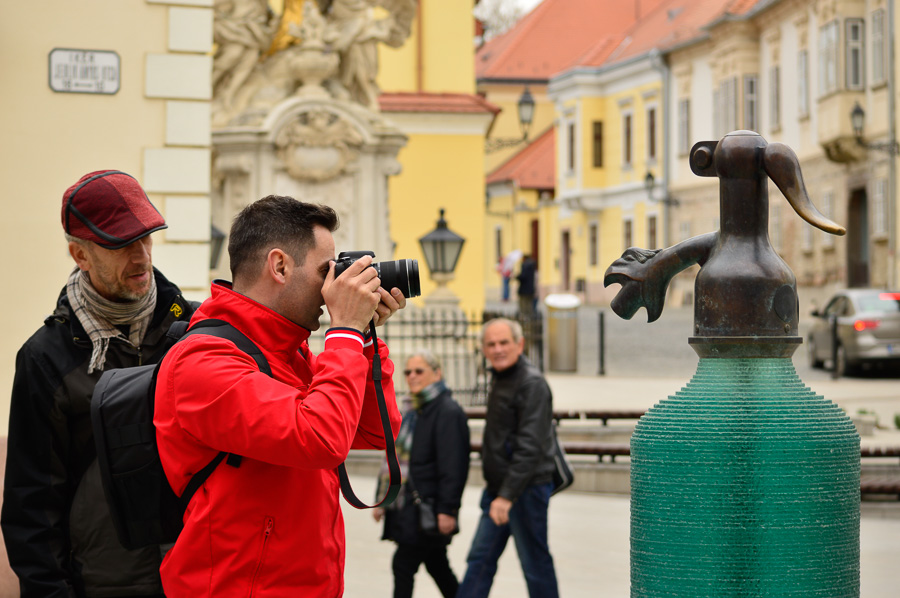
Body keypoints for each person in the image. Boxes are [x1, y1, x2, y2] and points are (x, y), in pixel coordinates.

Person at [153, 195, 405, 596]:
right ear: (280, 266)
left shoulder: (291, 353)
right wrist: (345, 333)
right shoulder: (203, 361)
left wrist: (365, 340)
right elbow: (320, 439)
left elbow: (376, 434)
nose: (331, 286)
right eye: (326, 270)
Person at [2, 170, 196, 597]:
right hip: (103, 585)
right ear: (80, 255)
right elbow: (31, 508)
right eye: (121, 244)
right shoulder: (45, 358)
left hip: (197, 579)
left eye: (147, 237)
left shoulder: (195, 332)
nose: (142, 256)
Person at [457, 318, 559, 598]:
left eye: (504, 342)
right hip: (500, 490)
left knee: (535, 564)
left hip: (524, 491)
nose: (498, 349)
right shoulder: (501, 377)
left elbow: (530, 447)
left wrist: (506, 496)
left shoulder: (532, 383)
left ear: (520, 344)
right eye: (491, 344)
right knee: (480, 559)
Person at [373, 351, 470, 598]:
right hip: (411, 506)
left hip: (427, 506)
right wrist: (382, 497)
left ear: (437, 373)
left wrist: (447, 510)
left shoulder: (447, 411)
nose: (412, 376)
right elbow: (394, 457)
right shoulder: (412, 408)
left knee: (403, 565)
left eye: (419, 371)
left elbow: (454, 466)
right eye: (408, 372)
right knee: (437, 566)